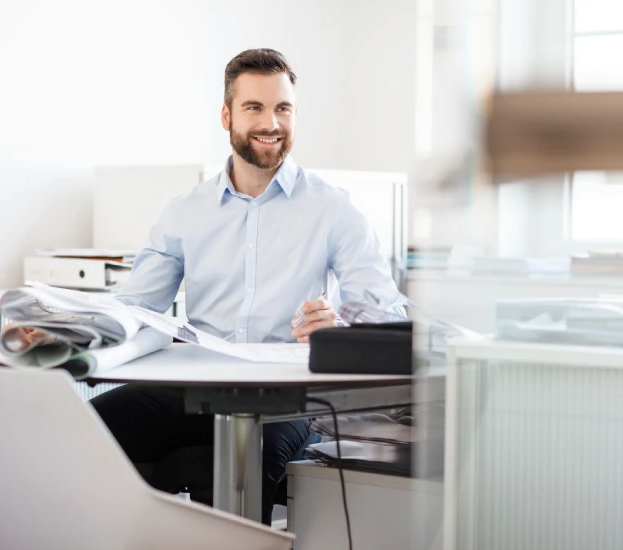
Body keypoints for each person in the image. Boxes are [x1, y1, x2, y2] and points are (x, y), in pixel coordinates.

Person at [90, 48, 404, 525]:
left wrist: (339, 329)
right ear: (226, 115)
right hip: (195, 387)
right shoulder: (185, 211)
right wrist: (66, 328)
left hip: (286, 399)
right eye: (254, 107)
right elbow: (135, 308)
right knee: (86, 429)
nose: (271, 122)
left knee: (244, 469)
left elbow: (387, 315)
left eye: (283, 108)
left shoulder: (334, 208)